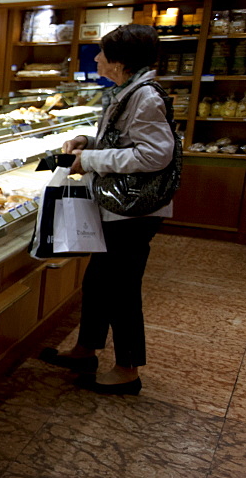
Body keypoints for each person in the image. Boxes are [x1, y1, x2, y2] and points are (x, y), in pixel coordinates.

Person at [39, 24, 176, 395]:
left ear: (120, 62)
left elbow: (154, 154)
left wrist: (91, 159)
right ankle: (85, 350)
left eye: (102, 53)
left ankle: (128, 369)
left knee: (121, 288)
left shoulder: (145, 96)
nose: (96, 58)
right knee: (99, 282)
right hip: (119, 207)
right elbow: (127, 140)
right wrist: (89, 140)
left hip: (134, 211)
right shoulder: (128, 92)